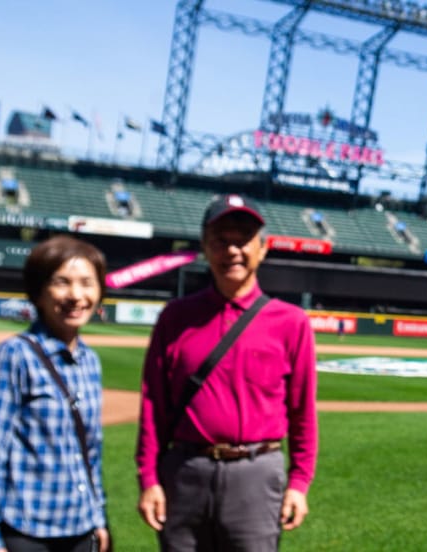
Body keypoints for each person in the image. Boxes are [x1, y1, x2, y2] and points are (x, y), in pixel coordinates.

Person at [136, 194, 318, 551]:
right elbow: (153, 405)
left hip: (256, 472)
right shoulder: (175, 317)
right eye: (221, 241)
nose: (232, 250)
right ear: (205, 247)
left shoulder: (291, 322)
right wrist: (148, 479)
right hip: (186, 472)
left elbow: (302, 411)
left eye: (243, 240)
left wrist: (299, 482)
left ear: (262, 249)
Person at [0, 236, 113, 552]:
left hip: (80, 527)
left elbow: (90, 450)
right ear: (39, 292)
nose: (76, 295)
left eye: (87, 283)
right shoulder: (12, 357)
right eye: (62, 282)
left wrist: (98, 517)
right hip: (26, 530)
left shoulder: (91, 361)